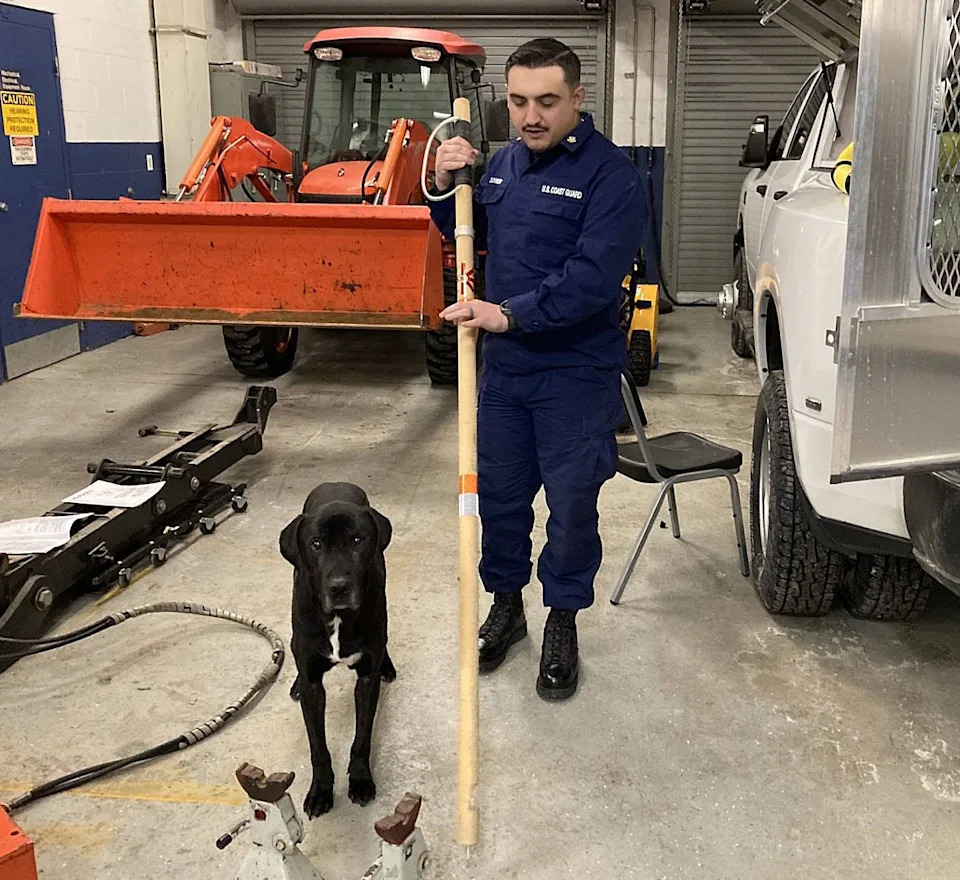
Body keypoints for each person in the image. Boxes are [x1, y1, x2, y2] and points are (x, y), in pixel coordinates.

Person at [428, 38, 647, 701]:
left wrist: (507, 314)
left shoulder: (613, 179)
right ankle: (506, 606)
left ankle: (562, 617)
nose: (530, 116)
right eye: (519, 101)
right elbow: (461, 226)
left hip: (575, 377)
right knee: (499, 499)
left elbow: (590, 279)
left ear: (578, 99)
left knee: (573, 506)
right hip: (506, 377)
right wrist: (446, 180)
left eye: (547, 102)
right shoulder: (503, 167)